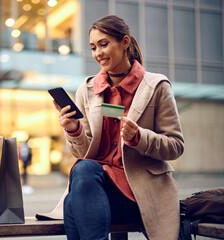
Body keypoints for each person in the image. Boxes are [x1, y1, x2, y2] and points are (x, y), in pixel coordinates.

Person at [46, 15, 184, 240]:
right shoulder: (87, 90)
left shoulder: (156, 86)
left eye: (104, 44)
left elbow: (175, 147)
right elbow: (84, 153)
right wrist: (74, 130)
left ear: (125, 42)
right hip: (95, 190)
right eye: (93, 47)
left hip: (140, 194)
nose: (98, 53)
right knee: (83, 170)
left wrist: (139, 137)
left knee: (75, 196)